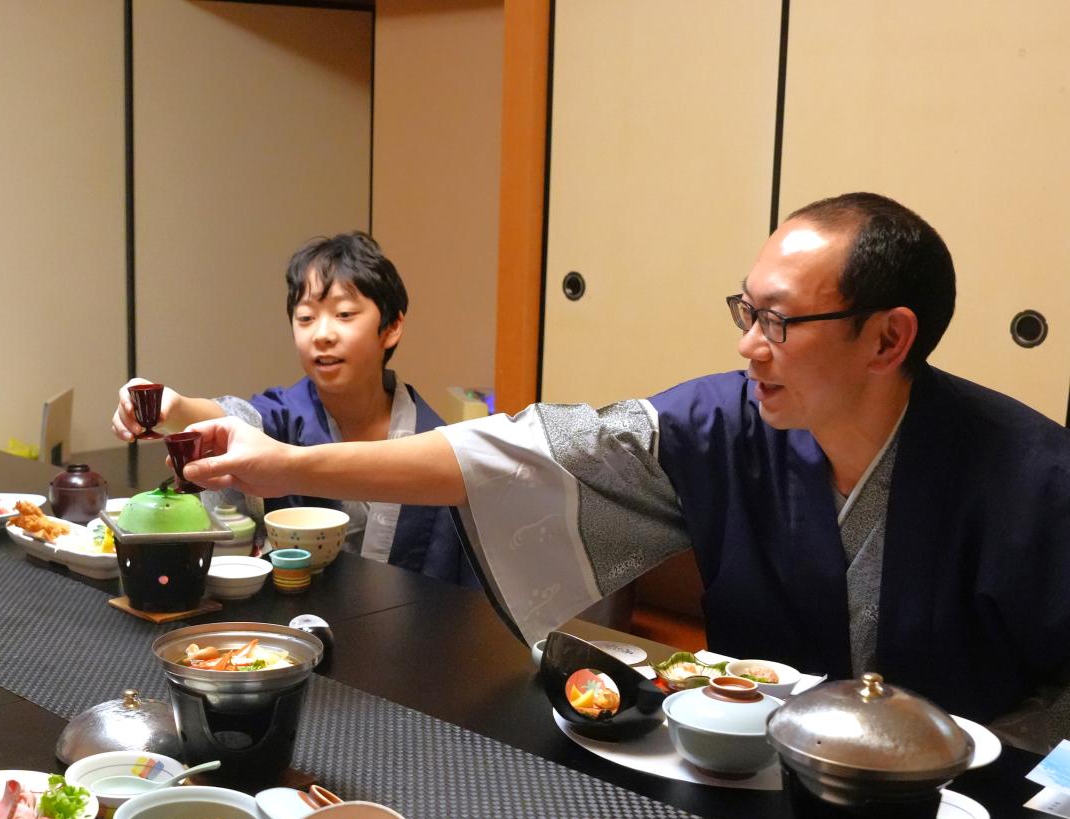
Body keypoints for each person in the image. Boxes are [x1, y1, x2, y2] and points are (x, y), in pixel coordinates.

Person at [180, 194, 1070, 750]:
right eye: (746, 310)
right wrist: (290, 463)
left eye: (778, 322)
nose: (746, 344)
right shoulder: (721, 423)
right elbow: (518, 448)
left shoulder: (1030, 473)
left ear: (888, 337)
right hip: (748, 774)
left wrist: (993, 773)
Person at [110, 231, 477, 586]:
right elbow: (233, 420)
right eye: (305, 318)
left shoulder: (434, 440)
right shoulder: (287, 415)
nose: (322, 334)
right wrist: (173, 408)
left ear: (392, 327)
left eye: (345, 314)